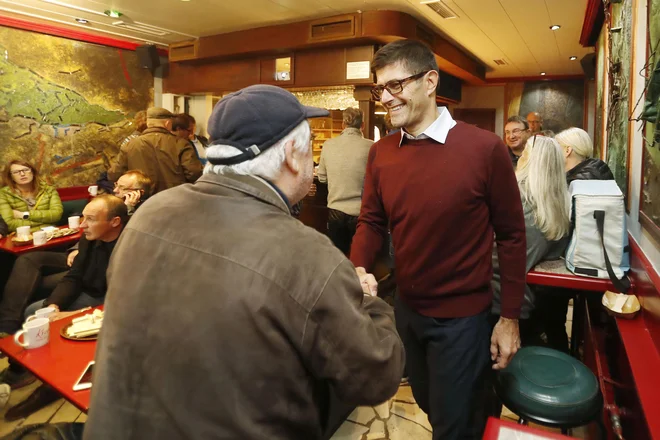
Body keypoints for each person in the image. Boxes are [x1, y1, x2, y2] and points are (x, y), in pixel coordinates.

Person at [84, 85, 405, 440]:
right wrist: (369, 302)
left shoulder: (149, 213)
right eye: (310, 146)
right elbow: (376, 376)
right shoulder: (307, 255)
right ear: (290, 156)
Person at [350, 39, 526, 440]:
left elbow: (513, 236)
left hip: (463, 320)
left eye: (397, 85)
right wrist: (358, 265)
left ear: (430, 81)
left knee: (453, 424)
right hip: (407, 312)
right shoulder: (381, 153)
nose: (387, 98)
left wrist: (509, 318)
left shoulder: (484, 149)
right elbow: (371, 220)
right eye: (381, 89)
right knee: (429, 403)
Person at [2, 195, 128, 422]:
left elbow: (125, 298)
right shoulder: (90, 237)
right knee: (34, 311)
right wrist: (54, 306)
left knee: (64, 326)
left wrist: (75, 314)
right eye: (83, 218)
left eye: (90, 219)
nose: (82, 224)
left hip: (110, 302)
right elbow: (74, 277)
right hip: (90, 293)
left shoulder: (130, 246)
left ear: (115, 222)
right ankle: (28, 371)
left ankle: (50, 386)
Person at [535, 127, 613, 353]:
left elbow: (564, 227)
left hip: (579, 261)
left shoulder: (580, 179)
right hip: (592, 260)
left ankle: (553, 353)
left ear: (567, 150)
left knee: (547, 304)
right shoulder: (594, 169)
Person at [491, 135, 570, 344]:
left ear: (530, 162)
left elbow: (500, 258)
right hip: (536, 300)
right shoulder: (558, 202)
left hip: (503, 302)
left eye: (524, 154)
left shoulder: (520, 200)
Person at [107, 107, 203, 194]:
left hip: (142, 202)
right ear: (168, 123)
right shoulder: (181, 144)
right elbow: (194, 174)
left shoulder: (130, 145)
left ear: (148, 123)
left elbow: (114, 174)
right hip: (175, 199)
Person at [317, 108, 373, 254]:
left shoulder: (329, 145)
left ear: (343, 124)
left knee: (338, 257)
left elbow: (322, 177)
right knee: (359, 258)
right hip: (360, 212)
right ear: (362, 126)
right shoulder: (372, 146)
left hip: (335, 210)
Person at [0, 160, 63, 232]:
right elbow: (9, 224)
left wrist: (23, 215)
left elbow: (56, 215)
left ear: (32, 172)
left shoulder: (48, 189)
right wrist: (46, 221)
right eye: (16, 172)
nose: (22, 174)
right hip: (24, 238)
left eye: (26, 170)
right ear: (11, 177)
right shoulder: (3, 194)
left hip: (51, 233)